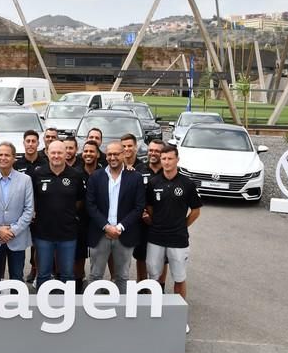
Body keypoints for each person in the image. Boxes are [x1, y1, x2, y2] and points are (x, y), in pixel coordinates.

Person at [145, 145, 202, 334]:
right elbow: (150, 208)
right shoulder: (153, 183)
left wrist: (182, 225)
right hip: (156, 237)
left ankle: (179, 318)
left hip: (178, 239)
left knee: (179, 278)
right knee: (154, 277)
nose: (166, 162)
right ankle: (156, 313)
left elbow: (195, 211)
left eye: (170, 158)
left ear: (177, 160)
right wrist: (157, 223)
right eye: (164, 159)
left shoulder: (187, 184)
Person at [86, 141, 145, 294]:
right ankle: (92, 310)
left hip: (124, 234)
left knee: (122, 276)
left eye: (116, 154)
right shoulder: (96, 176)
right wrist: (106, 226)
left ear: (124, 154)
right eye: (109, 154)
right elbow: (90, 205)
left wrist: (118, 227)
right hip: (100, 233)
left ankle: (122, 312)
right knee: (95, 276)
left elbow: (138, 208)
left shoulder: (135, 178)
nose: (112, 157)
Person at [0, 142, 34, 293]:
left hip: (16, 237)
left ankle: (17, 309)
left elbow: (29, 210)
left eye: (7, 155)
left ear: (13, 158)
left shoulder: (25, 180)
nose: (3, 158)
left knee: (17, 278)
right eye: (0, 154)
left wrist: (13, 231)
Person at [30, 140, 84, 289]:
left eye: (60, 152)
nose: (56, 156)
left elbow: (80, 200)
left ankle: (67, 307)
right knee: (43, 274)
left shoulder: (75, 175)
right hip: (43, 233)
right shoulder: (38, 174)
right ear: (47, 153)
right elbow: (32, 198)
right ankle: (42, 305)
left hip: (67, 233)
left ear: (66, 154)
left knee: (67, 274)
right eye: (53, 152)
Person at [13, 129, 46, 283]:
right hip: (20, 212)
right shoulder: (17, 164)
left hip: (40, 211)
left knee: (38, 245)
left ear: (38, 143)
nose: (31, 144)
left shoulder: (45, 163)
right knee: (17, 243)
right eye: (28, 141)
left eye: (34, 141)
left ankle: (35, 270)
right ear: (24, 143)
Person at [133, 139, 165, 282]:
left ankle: (159, 286)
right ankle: (142, 285)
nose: (153, 153)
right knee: (141, 255)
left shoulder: (168, 171)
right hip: (141, 222)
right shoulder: (139, 169)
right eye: (151, 150)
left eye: (157, 151)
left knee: (163, 258)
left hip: (161, 223)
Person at [73, 139, 101, 292]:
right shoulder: (76, 173)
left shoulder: (104, 172)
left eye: (91, 151)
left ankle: (97, 284)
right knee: (79, 254)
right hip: (80, 221)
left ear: (97, 154)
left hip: (100, 221)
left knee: (99, 255)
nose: (88, 154)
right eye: (86, 151)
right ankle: (78, 282)